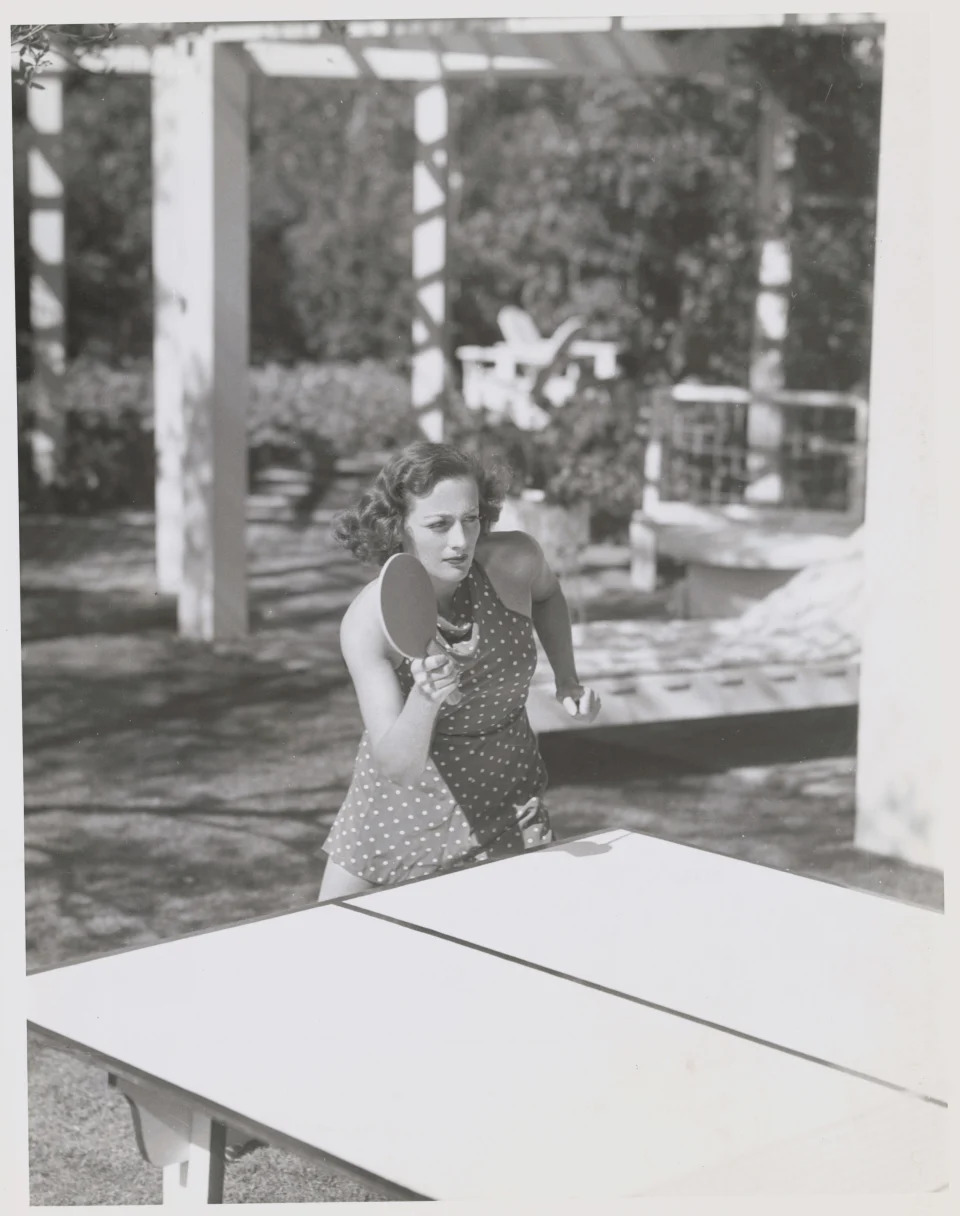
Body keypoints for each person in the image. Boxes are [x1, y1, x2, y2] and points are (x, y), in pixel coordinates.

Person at [318, 440, 600, 901]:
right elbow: (399, 767)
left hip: (508, 800)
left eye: (471, 520)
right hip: (397, 817)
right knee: (329, 954)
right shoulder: (366, 623)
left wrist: (567, 678)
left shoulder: (514, 561)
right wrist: (425, 700)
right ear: (398, 528)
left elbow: (548, 595)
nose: (460, 541)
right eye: (438, 524)